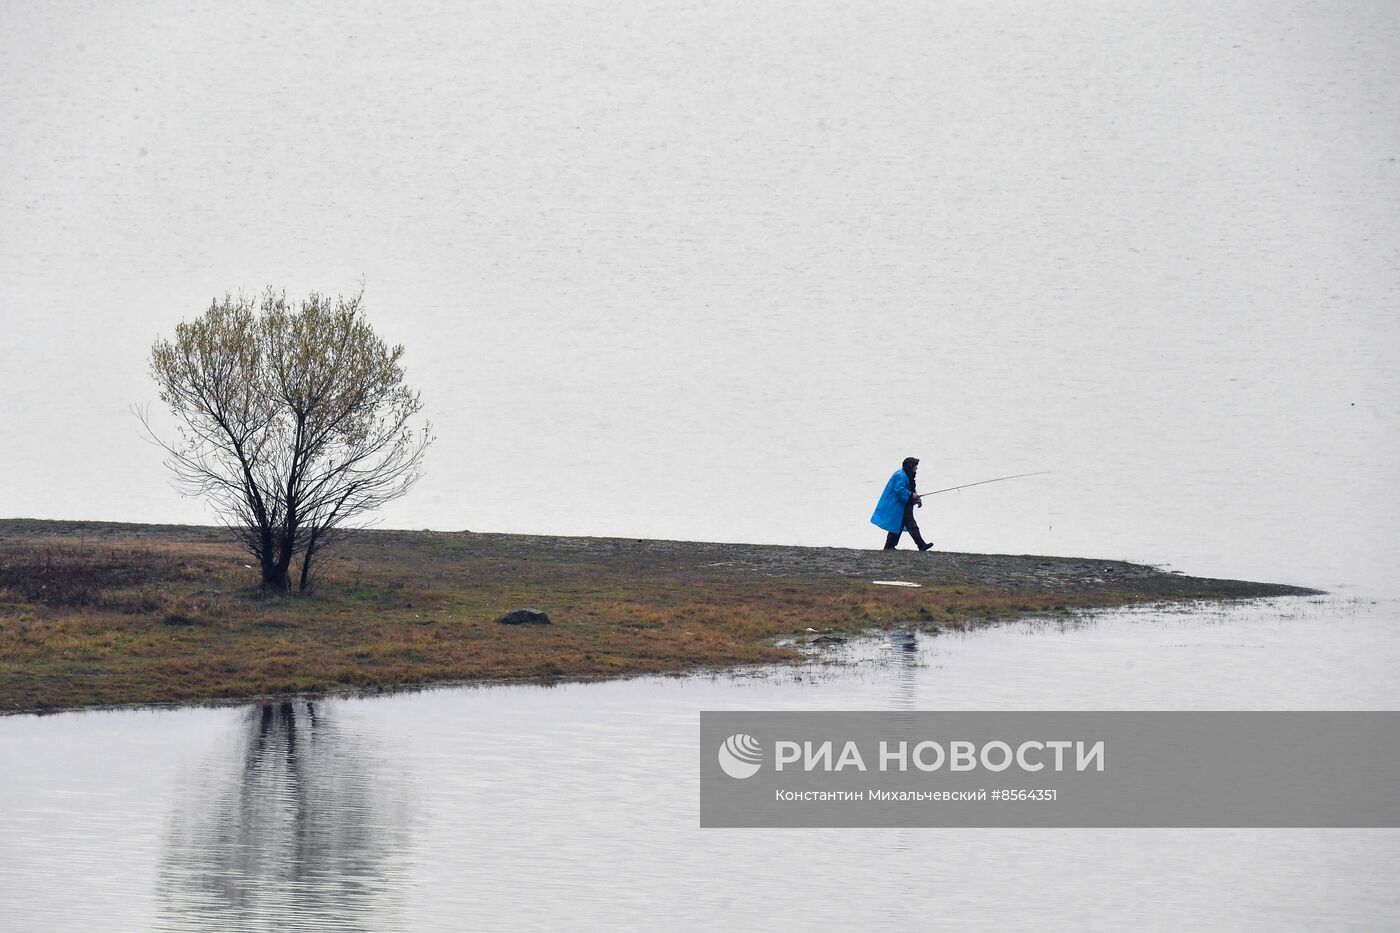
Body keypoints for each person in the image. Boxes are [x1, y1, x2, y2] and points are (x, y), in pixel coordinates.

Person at [871, 457, 933, 551]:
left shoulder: (908, 475)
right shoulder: (900, 475)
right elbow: (899, 491)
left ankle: (890, 546)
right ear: (910, 466)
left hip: (904, 505)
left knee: (901, 526)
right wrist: (912, 495)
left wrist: (916, 499)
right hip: (898, 505)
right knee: (908, 526)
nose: (916, 468)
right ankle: (920, 545)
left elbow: (910, 489)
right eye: (915, 466)